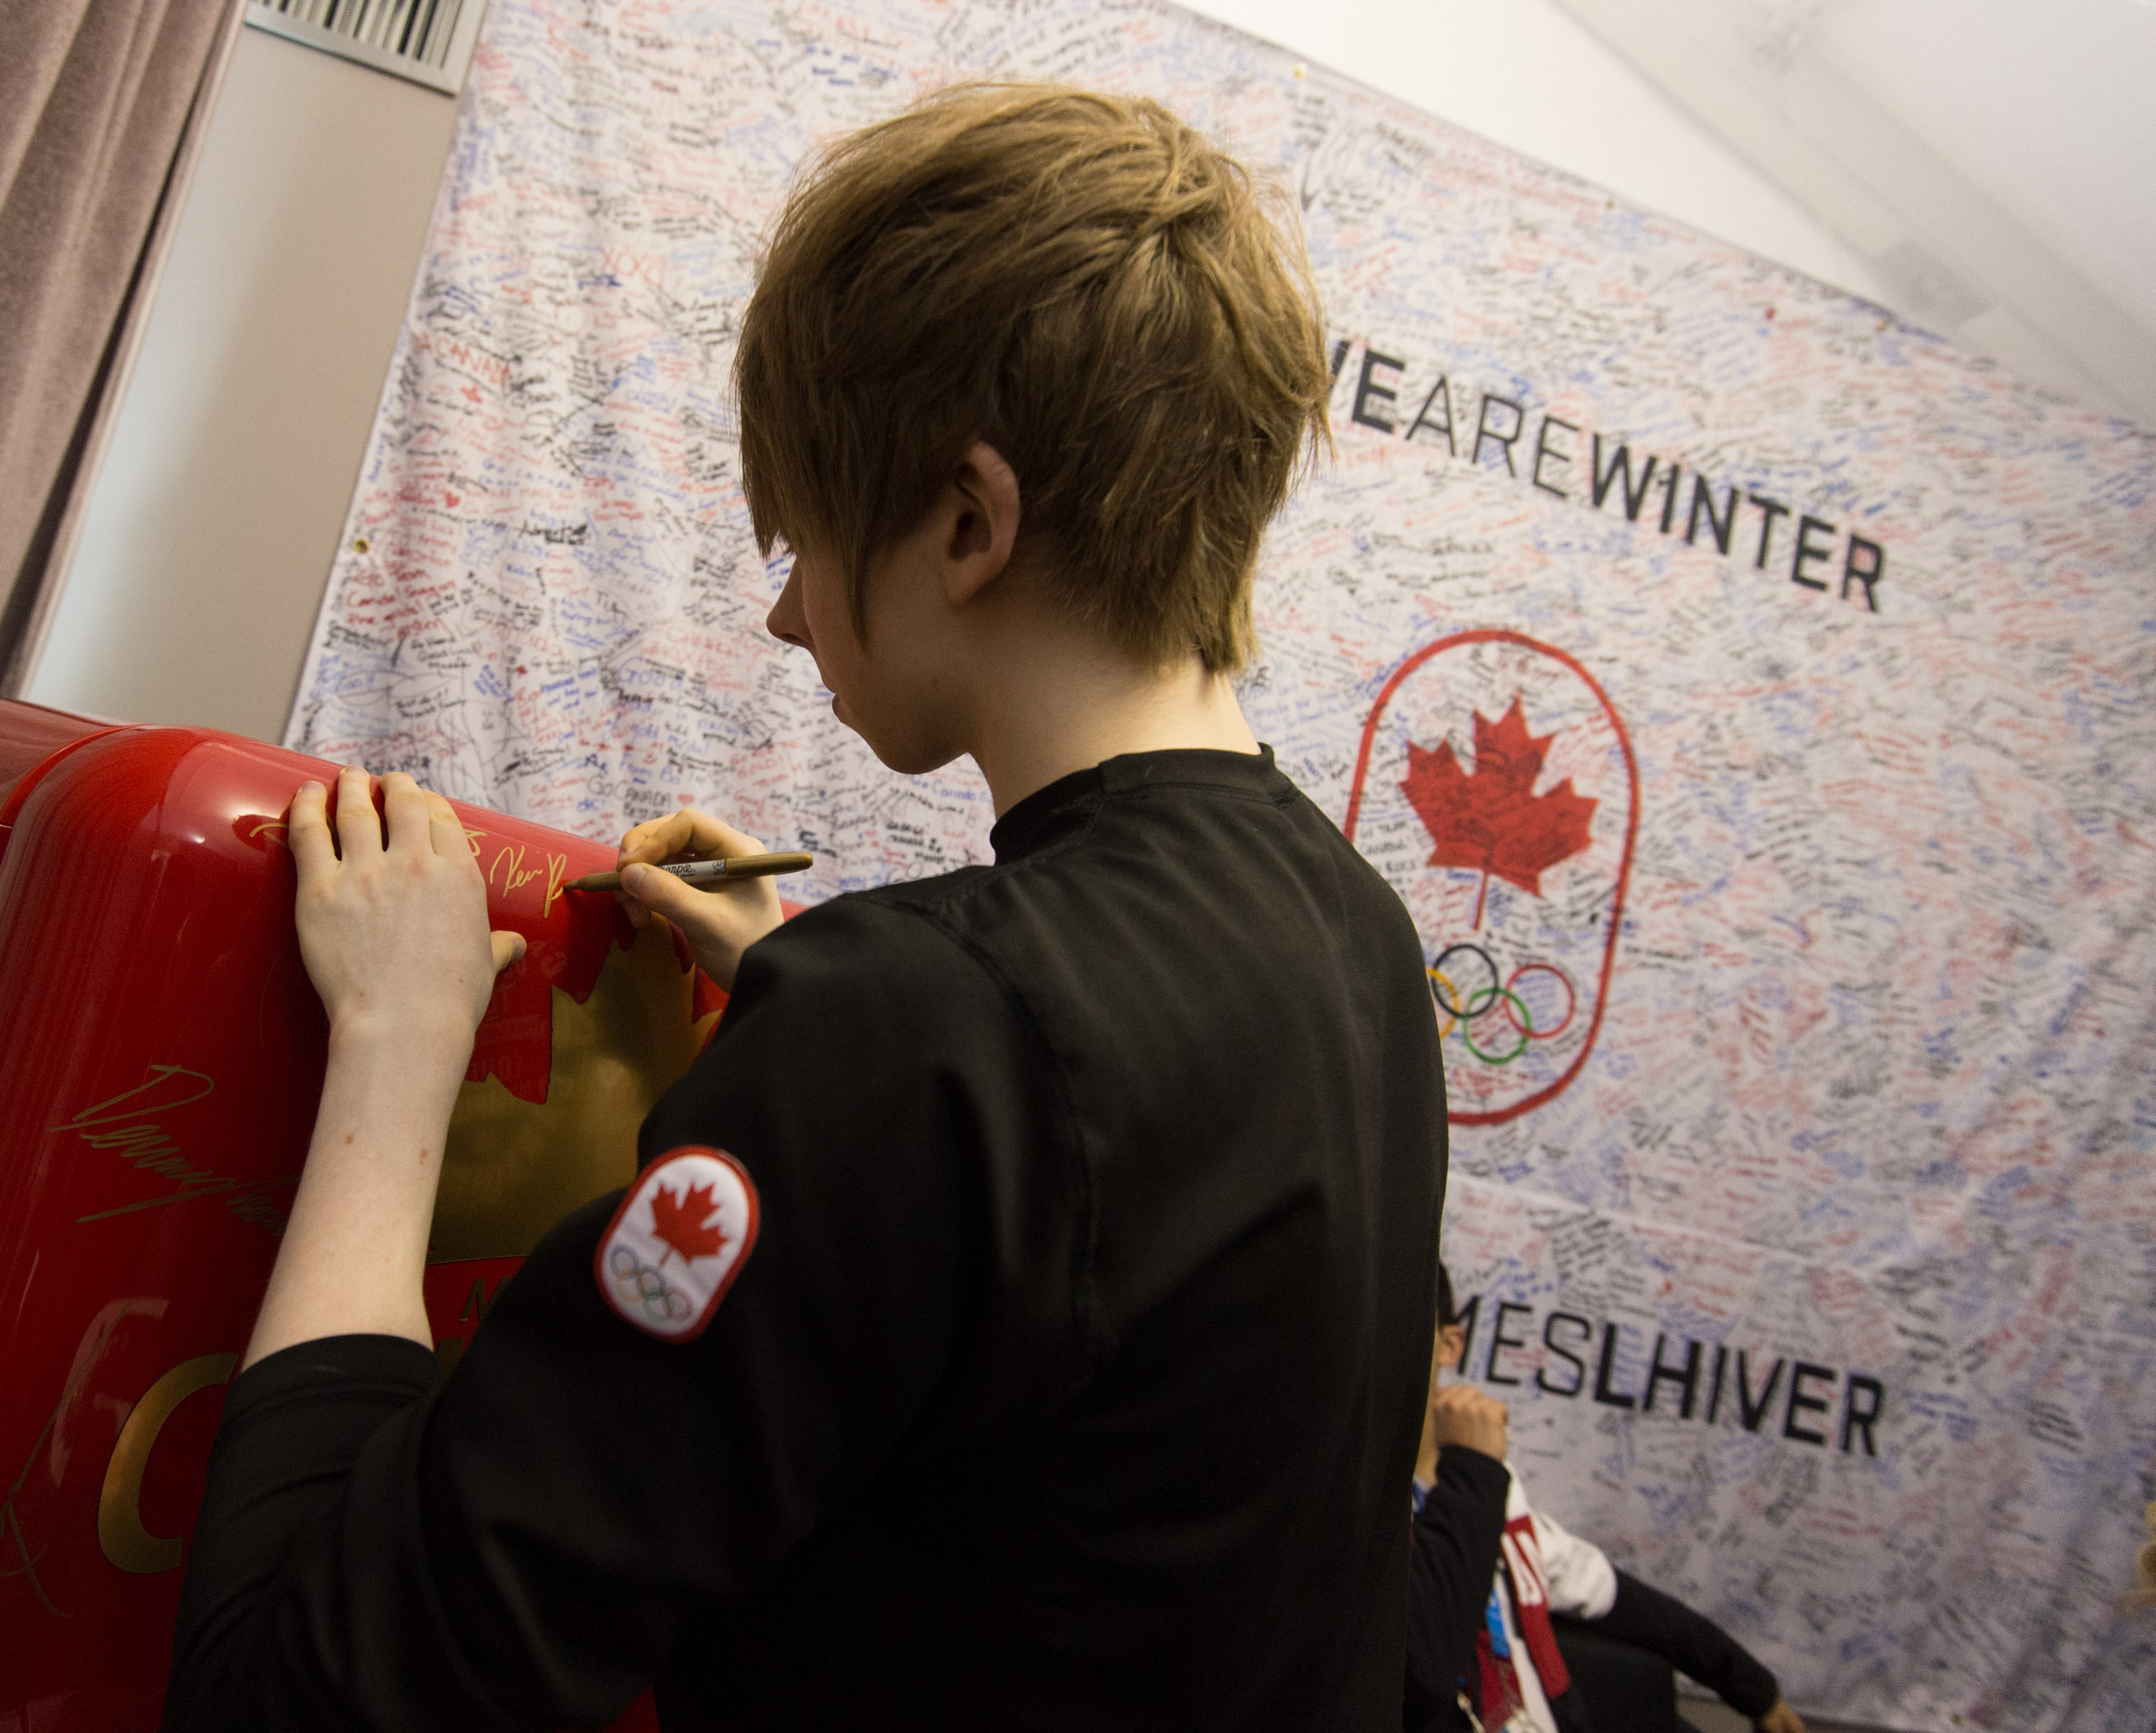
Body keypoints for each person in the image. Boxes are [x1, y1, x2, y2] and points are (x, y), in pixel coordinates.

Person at [167, 84, 1448, 1731]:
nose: (784, 615)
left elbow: (304, 1698)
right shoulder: (1356, 938)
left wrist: (400, 1055)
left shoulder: (918, 1032)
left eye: (804, 536)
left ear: (969, 522)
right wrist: (857, 1053)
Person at [1406, 1265, 1807, 1733]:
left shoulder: (1495, 1488)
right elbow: (1421, 1667)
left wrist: (1755, 1689)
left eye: (1403, 1326)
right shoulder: (1357, 1506)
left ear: (1449, 1345)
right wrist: (1473, 1475)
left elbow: (1612, 1595)